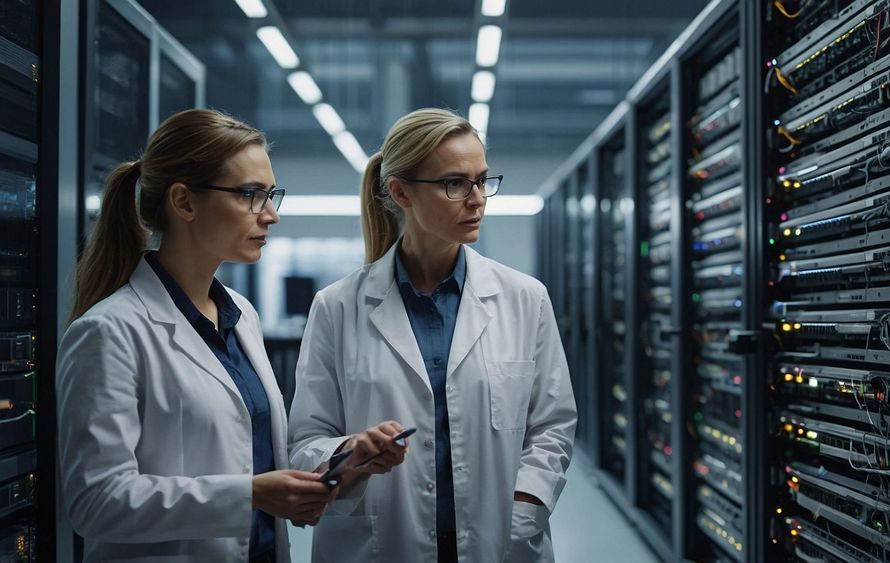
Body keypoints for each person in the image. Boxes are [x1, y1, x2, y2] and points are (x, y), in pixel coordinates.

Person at [287, 108, 577, 562]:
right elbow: (306, 442)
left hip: (500, 540)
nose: (477, 199)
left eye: (482, 181)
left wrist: (524, 509)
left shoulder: (525, 298)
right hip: (382, 543)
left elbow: (552, 426)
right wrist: (351, 451)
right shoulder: (337, 307)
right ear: (400, 192)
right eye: (455, 183)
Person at [57, 109, 336, 563]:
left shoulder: (241, 315)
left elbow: (253, 455)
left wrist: (333, 467)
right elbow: (96, 503)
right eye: (251, 195)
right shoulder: (109, 332)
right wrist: (248, 494)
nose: (270, 215)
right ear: (184, 202)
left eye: (271, 195)